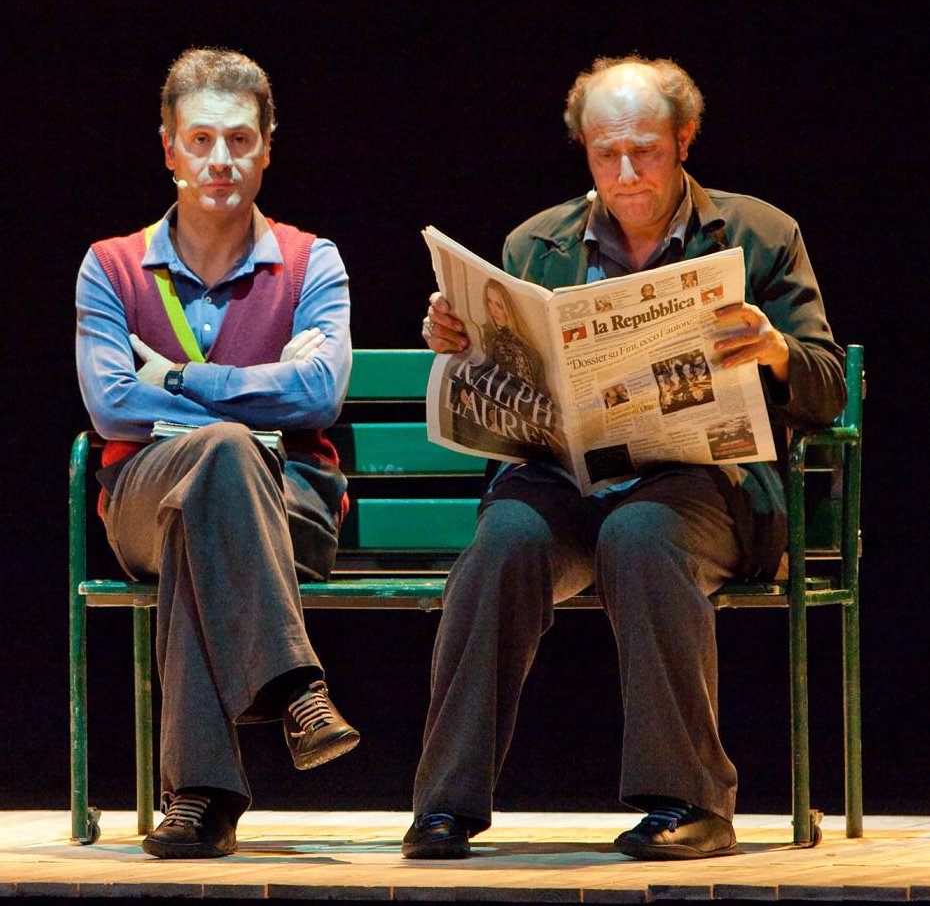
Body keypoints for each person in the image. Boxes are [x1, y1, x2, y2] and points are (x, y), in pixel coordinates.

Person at [408, 54, 845, 861]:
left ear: (685, 139)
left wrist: (775, 349)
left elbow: (826, 388)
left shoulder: (760, 234)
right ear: (584, 149)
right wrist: (460, 343)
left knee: (641, 535)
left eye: (645, 150)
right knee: (502, 544)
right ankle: (444, 808)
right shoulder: (537, 244)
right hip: (567, 481)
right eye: (606, 153)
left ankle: (691, 803)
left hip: (703, 488)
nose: (626, 172)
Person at [75, 48, 359, 859]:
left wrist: (180, 378)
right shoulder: (111, 267)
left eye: (239, 139)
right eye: (200, 140)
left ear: (268, 148)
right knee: (220, 458)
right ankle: (296, 686)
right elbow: (111, 404)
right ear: (169, 148)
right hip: (141, 494)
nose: (220, 160)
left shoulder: (311, 262)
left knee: (199, 513)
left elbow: (319, 395)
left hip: (290, 503)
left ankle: (201, 797)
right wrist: (256, 393)